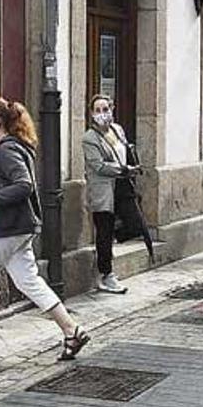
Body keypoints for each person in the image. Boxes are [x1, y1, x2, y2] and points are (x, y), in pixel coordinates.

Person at [0, 97, 90, 361]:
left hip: (5, 228)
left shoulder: (6, 150)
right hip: (13, 226)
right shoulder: (5, 148)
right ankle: (72, 331)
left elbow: (23, 185)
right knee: (29, 280)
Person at [82, 94, 144, 294]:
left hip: (122, 187)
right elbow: (98, 166)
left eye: (105, 109)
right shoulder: (89, 138)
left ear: (112, 109)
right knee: (104, 232)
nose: (102, 114)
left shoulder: (117, 130)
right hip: (103, 190)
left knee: (135, 224)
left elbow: (124, 150)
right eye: (97, 110)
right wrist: (123, 169)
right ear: (92, 114)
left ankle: (117, 235)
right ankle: (106, 275)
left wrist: (130, 167)